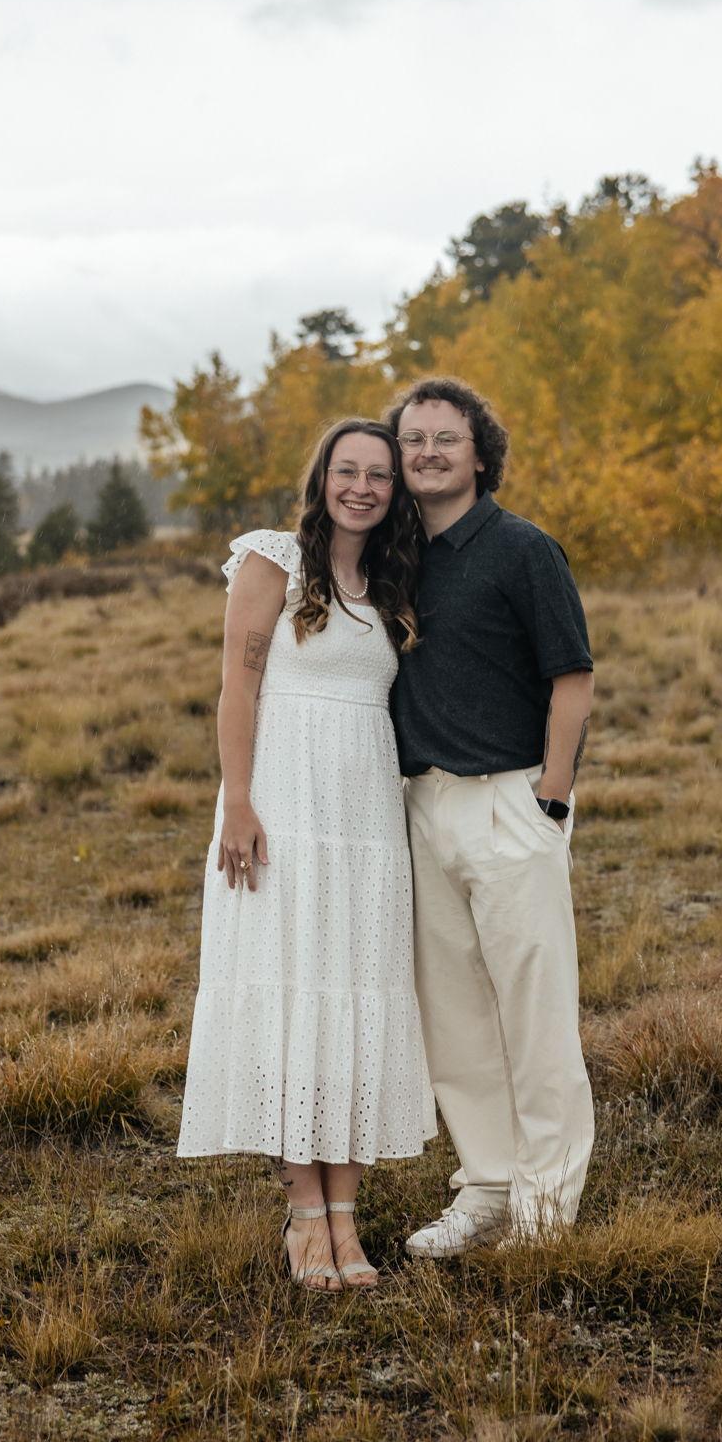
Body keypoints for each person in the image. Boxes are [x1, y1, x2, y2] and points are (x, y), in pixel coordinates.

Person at [175, 418, 435, 1291]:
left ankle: (349, 1217)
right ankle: (305, 1216)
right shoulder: (273, 561)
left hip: (364, 821)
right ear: (321, 477)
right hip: (280, 805)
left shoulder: (396, 580)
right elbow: (237, 686)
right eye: (347, 470)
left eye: (379, 476)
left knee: (356, 991)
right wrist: (238, 802)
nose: (361, 486)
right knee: (289, 988)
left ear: (395, 491)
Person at [387, 377, 596, 1254]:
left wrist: (550, 792)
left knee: (534, 1012)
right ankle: (487, 1187)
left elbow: (572, 677)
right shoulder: (393, 557)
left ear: (479, 452)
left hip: (513, 800)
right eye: (413, 441)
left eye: (445, 438)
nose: (427, 453)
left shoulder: (522, 549)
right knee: (456, 1016)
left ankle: (546, 1209)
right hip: (422, 805)